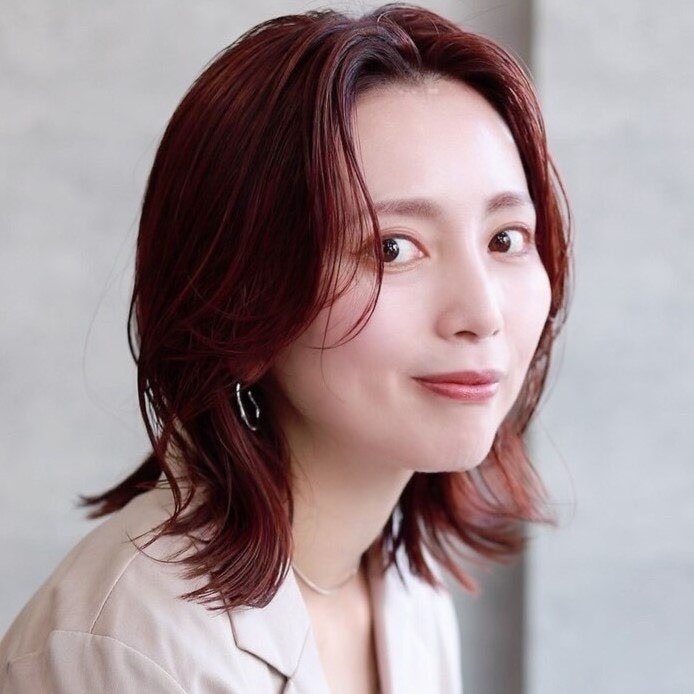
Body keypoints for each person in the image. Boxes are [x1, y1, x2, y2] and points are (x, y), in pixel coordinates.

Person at [0, 3, 572, 692]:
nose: (481, 314)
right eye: (392, 249)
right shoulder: (131, 646)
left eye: (506, 239)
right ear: (242, 302)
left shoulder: (404, 588)